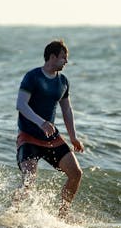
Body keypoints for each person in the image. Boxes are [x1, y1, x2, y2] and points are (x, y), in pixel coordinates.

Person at [15, 40, 85, 218]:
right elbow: (21, 105)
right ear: (52, 57)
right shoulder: (33, 77)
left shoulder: (63, 81)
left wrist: (73, 137)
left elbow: (67, 110)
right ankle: (11, 214)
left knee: (76, 174)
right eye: (63, 58)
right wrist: (41, 122)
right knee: (29, 180)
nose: (66, 62)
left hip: (51, 139)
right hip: (28, 137)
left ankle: (62, 216)